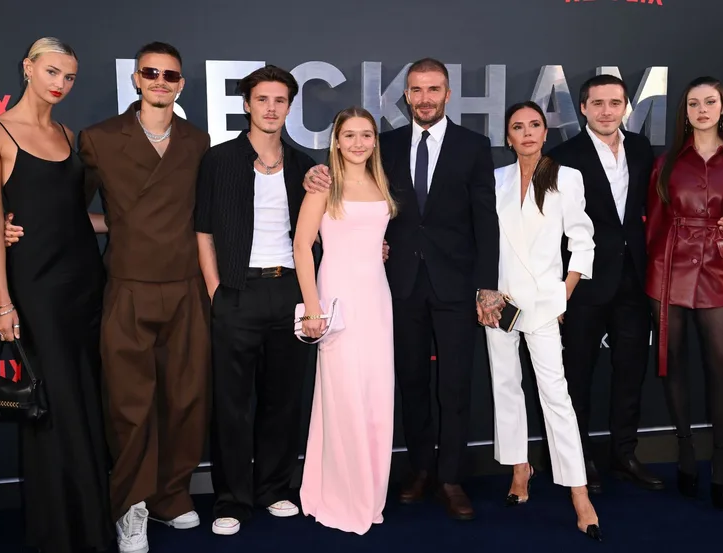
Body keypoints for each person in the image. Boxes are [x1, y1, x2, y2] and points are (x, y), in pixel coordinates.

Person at [6, 41, 211, 553]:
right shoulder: (98, 139)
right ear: (136, 80)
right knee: (129, 404)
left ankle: (171, 495)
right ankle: (131, 506)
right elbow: (69, 209)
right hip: (126, 285)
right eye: (151, 73)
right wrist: (15, 226)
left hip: (185, 286)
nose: (161, 82)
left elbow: (211, 213)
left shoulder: (197, 140)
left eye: (171, 75)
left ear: (180, 84)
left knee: (185, 399)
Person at [304, 58, 504, 521]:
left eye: (434, 89)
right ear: (406, 95)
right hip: (398, 288)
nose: (425, 98)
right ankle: (421, 470)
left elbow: (485, 220)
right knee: (411, 383)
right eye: (417, 90)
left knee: (454, 385)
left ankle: (451, 478)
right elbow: (347, 184)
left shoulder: (473, 146)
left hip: (456, 287)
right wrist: (311, 176)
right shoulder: (383, 145)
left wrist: (487, 287)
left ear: (448, 94)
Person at [547, 75, 723, 493]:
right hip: (584, 283)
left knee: (630, 373)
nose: (606, 111)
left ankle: (624, 455)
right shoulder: (561, 156)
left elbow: (679, 200)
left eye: (615, 103)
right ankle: (578, 461)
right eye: (597, 104)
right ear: (583, 108)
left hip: (636, 279)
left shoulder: (644, 151)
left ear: (626, 107)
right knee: (577, 375)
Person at [0, 37, 113, 553]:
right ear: (27, 68)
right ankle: (62, 533)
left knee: (87, 400)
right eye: (52, 72)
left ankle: (94, 523)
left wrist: (136, 224)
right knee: (53, 408)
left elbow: (76, 218)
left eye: (70, 77)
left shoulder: (67, 133)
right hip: (37, 288)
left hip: (86, 283)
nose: (61, 84)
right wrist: (3, 302)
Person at [194, 65, 316, 537]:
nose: (271, 108)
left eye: (280, 100)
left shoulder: (306, 166)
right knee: (231, 403)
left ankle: (274, 489)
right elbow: (203, 232)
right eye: (262, 99)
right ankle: (230, 498)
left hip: (289, 291)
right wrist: (216, 292)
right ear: (247, 104)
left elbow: (323, 232)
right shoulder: (219, 161)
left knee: (282, 401)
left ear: (289, 107)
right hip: (237, 294)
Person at [645, 76, 723, 510]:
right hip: (668, 272)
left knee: (722, 368)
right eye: (693, 103)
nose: (701, 110)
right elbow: (654, 228)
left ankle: (720, 457)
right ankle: (684, 451)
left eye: (709, 102)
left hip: (719, 272)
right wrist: (653, 279)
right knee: (673, 365)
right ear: (686, 111)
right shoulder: (667, 163)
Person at [486, 101, 601, 541]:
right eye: (518, 127)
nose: (527, 133)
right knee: (505, 387)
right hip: (499, 303)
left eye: (534, 125)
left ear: (545, 132)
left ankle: (579, 493)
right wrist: (487, 292)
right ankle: (520, 468)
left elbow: (582, 238)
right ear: (508, 136)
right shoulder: (495, 180)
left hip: (544, 302)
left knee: (556, 395)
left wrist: (563, 294)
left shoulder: (566, 177)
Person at [294, 107, 398, 535]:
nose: (358, 143)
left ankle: (370, 492)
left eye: (366, 135)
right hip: (337, 299)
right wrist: (313, 307)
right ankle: (340, 494)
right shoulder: (324, 184)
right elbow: (302, 247)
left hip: (377, 298)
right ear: (336, 140)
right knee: (342, 398)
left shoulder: (381, 182)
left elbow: (373, 237)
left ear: (375, 140)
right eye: (349, 135)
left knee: (375, 397)